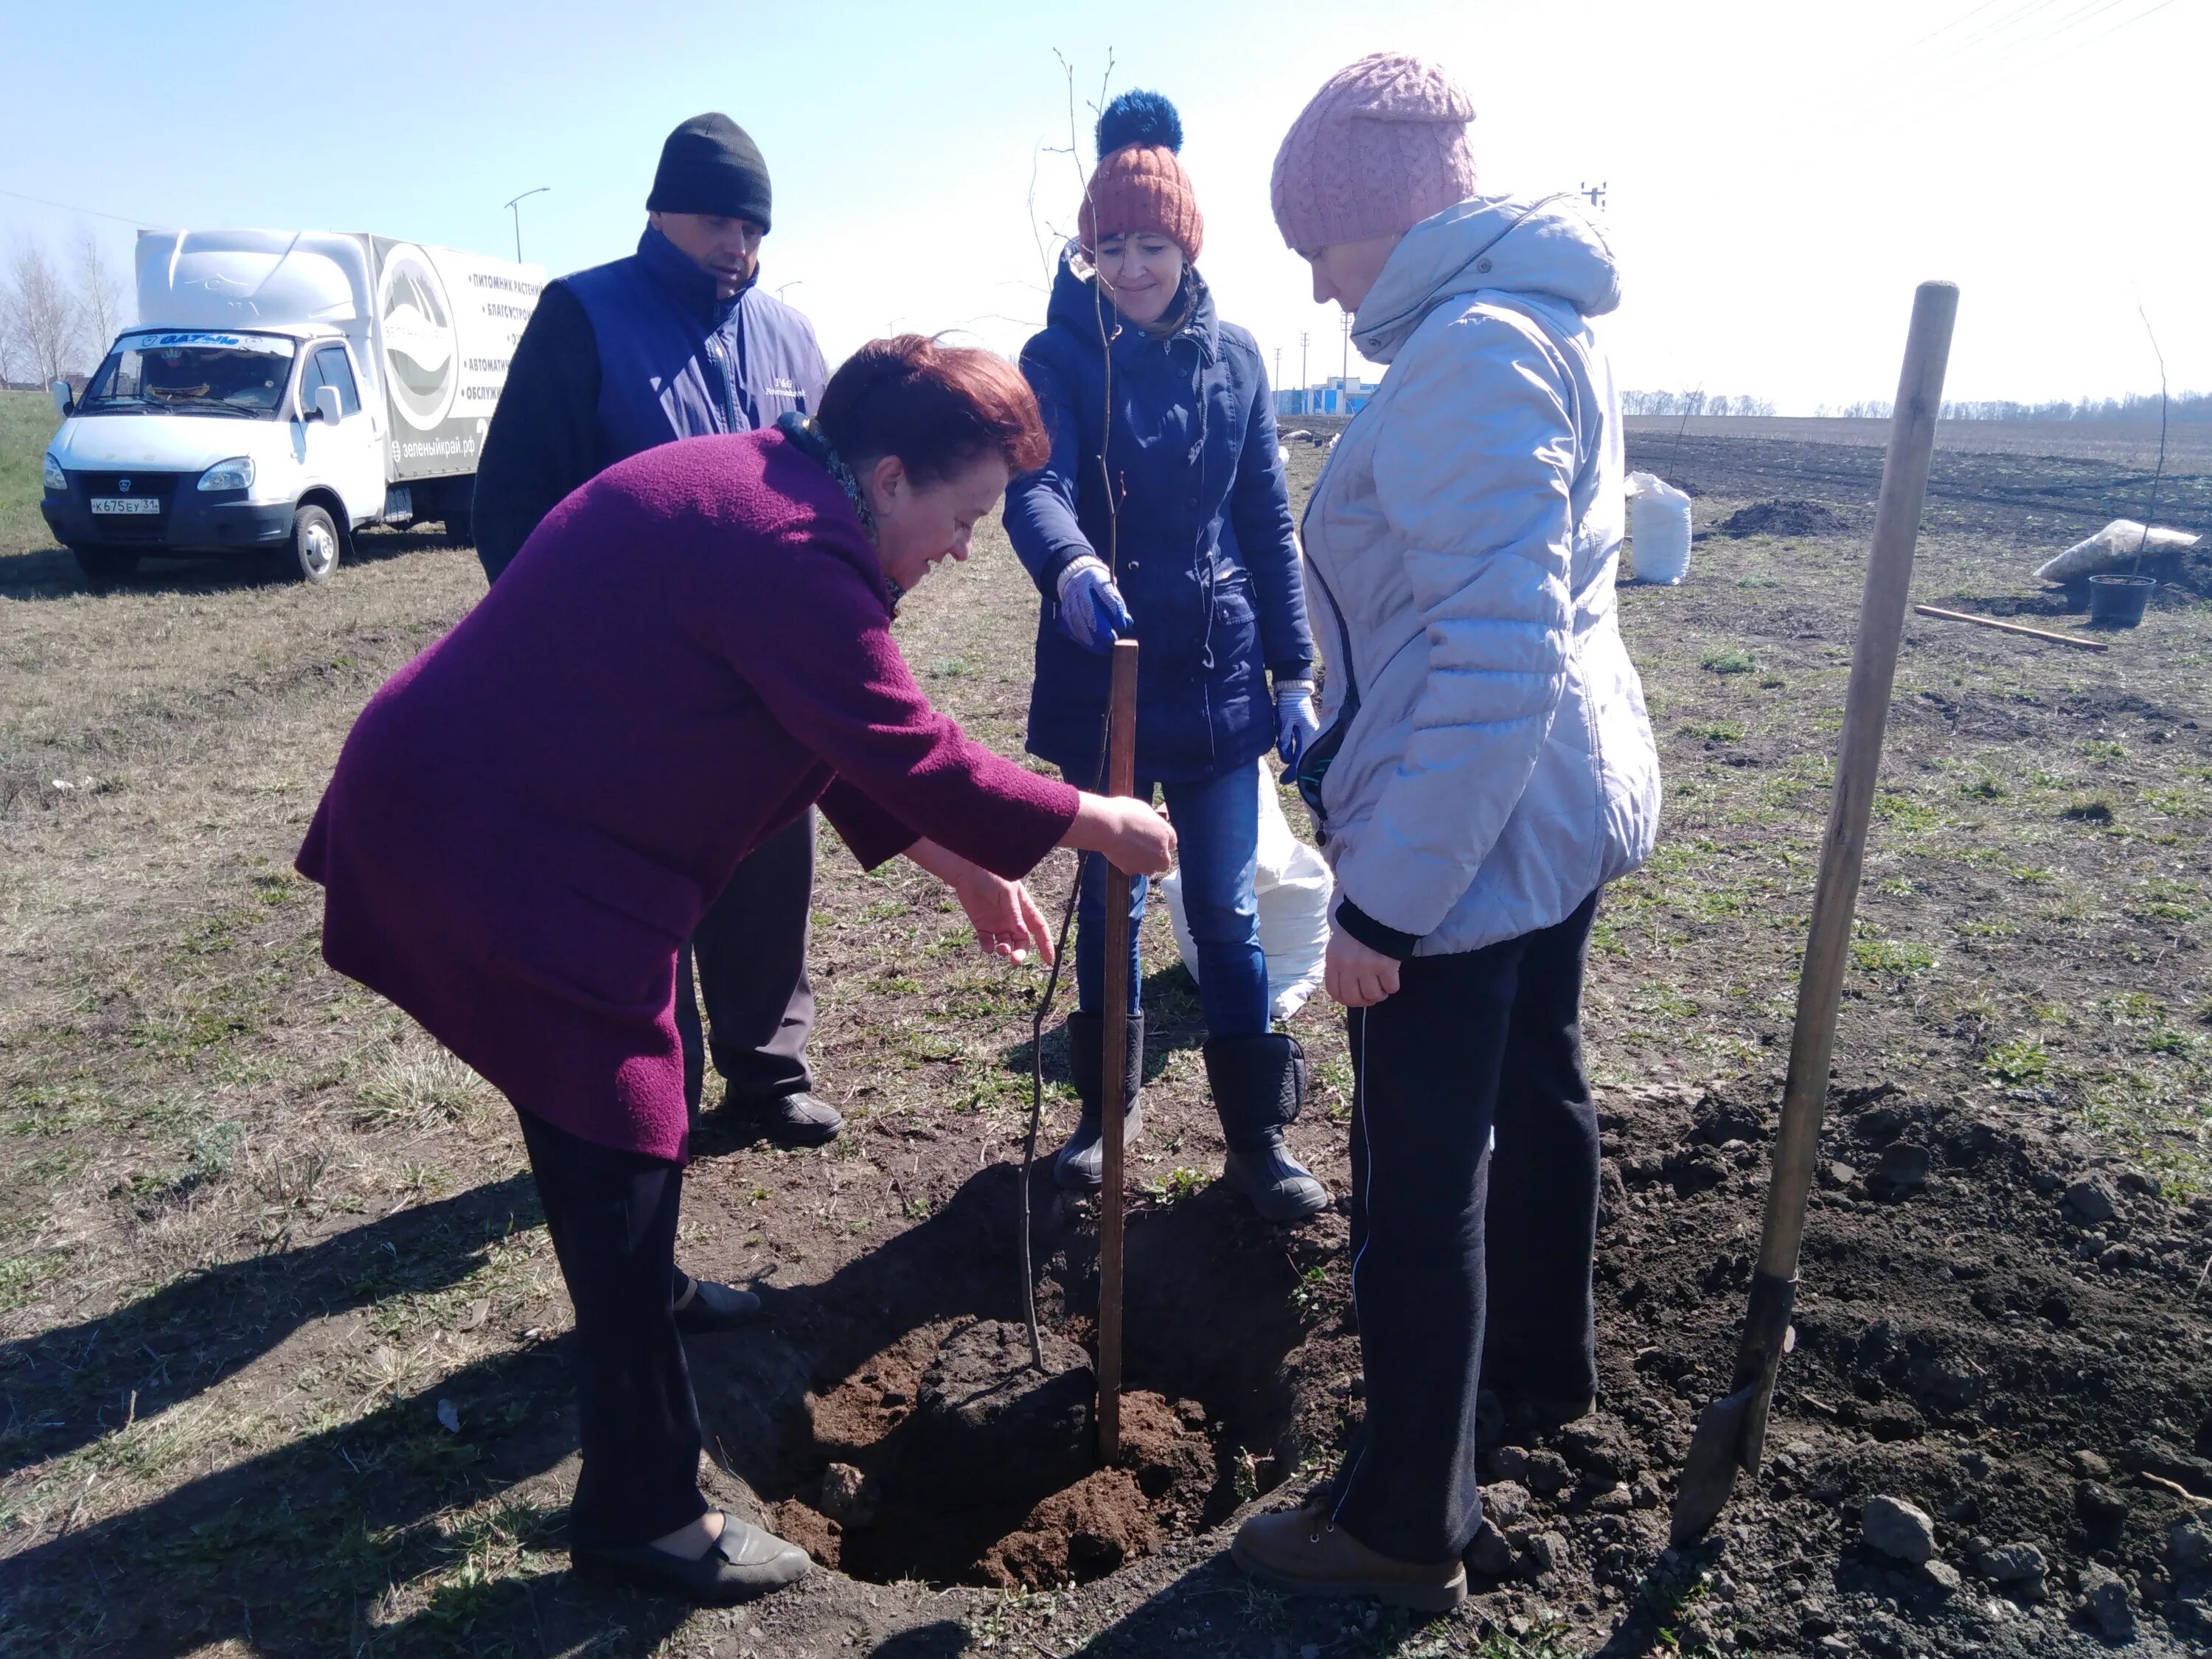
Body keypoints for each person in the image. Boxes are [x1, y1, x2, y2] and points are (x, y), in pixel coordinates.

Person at [296, 336, 1178, 1604]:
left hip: (509, 815)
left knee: (606, 1110)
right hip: (493, 839)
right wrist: (1091, 817)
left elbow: (819, 728)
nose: (968, 545)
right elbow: (908, 746)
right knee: (619, 1115)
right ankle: (645, 1515)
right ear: (888, 476)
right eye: (965, 512)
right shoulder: (791, 550)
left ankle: (639, 1283)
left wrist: (968, 872)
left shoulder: (781, 493)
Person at [1228, 54, 1662, 1609]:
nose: (1317, 283)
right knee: (1542, 1081)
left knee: (1420, 1178)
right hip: (1553, 808)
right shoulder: (1540, 315)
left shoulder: (1472, 354)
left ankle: (1406, 1521)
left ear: (1387, 220)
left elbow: (1495, 655)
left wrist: (1386, 910)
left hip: (1470, 829)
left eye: (1319, 245)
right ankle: (1541, 1379)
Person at [473, 111, 845, 1152]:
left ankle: (769, 1067)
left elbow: (835, 495)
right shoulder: (583, 317)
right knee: (642, 897)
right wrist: (577, 649)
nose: (741, 245)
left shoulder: (789, 336)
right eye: (723, 221)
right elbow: (510, 506)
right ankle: (655, 1087)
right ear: (662, 209)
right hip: (628, 690)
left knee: (772, 867)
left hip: (763, 684)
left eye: (757, 228)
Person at [1004, 91, 1326, 1223]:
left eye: (1151, 242)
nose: (1131, 266)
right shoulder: (1058, 356)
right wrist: (1070, 568)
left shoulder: (1237, 361)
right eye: (1110, 246)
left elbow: (1265, 521)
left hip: (1219, 675)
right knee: (1110, 898)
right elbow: (1032, 485)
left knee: (1227, 908)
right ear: (1085, 251)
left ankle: (1258, 1138)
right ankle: (1104, 1117)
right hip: (1106, 678)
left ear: (1186, 241)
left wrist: (1294, 671)